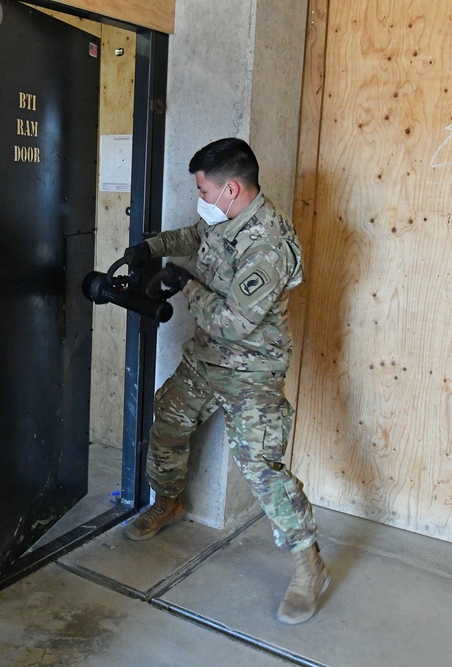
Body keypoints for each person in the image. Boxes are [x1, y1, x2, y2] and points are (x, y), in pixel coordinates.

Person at [121, 138, 329, 624]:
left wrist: (185, 284)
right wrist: (151, 247)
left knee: (260, 466)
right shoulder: (225, 217)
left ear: (230, 189)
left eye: (202, 189)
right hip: (208, 358)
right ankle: (168, 502)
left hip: (252, 368)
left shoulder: (269, 245)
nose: (200, 197)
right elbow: (195, 236)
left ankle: (308, 565)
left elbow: (234, 323)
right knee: (169, 418)